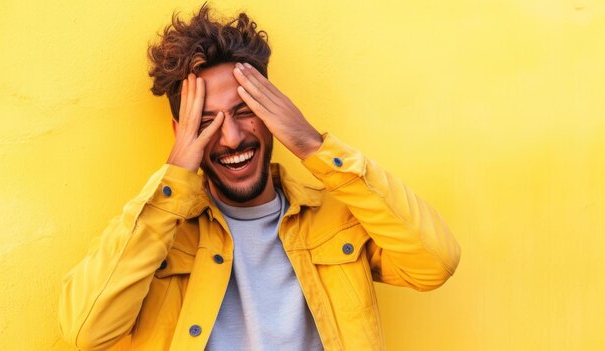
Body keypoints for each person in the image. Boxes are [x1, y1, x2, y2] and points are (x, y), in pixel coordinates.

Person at [58, 5, 461, 351]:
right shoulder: (161, 234)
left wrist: (312, 146)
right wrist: (175, 175)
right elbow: (87, 331)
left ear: (272, 111)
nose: (231, 138)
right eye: (205, 120)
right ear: (180, 131)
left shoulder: (337, 219)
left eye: (245, 110)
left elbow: (434, 264)